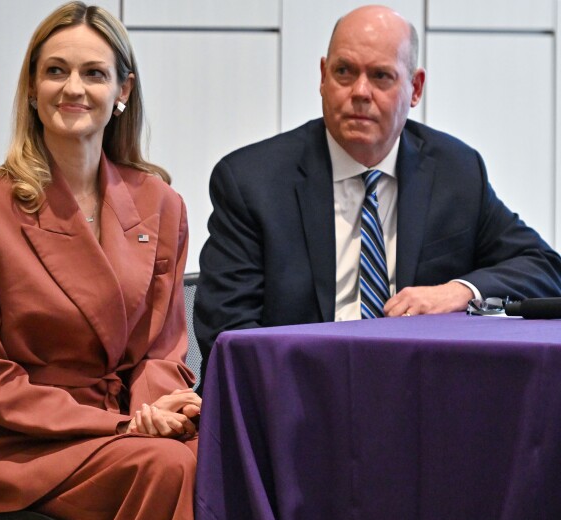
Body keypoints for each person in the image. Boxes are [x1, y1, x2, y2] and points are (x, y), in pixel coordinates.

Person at [0, 3, 201, 520]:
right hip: (20, 441)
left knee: (232, 461)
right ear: (31, 88)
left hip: (130, 425)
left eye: (93, 73)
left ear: (122, 90)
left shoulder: (162, 204)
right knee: (165, 468)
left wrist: (150, 413)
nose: (73, 88)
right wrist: (124, 428)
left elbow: (162, 349)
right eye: (56, 71)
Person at [194, 4, 561, 377]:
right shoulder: (252, 181)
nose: (360, 92)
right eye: (344, 72)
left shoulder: (456, 172)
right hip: (296, 388)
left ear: (415, 88)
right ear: (322, 76)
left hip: (421, 388)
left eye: (381, 76)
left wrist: (459, 290)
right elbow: (227, 330)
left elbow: (544, 266)